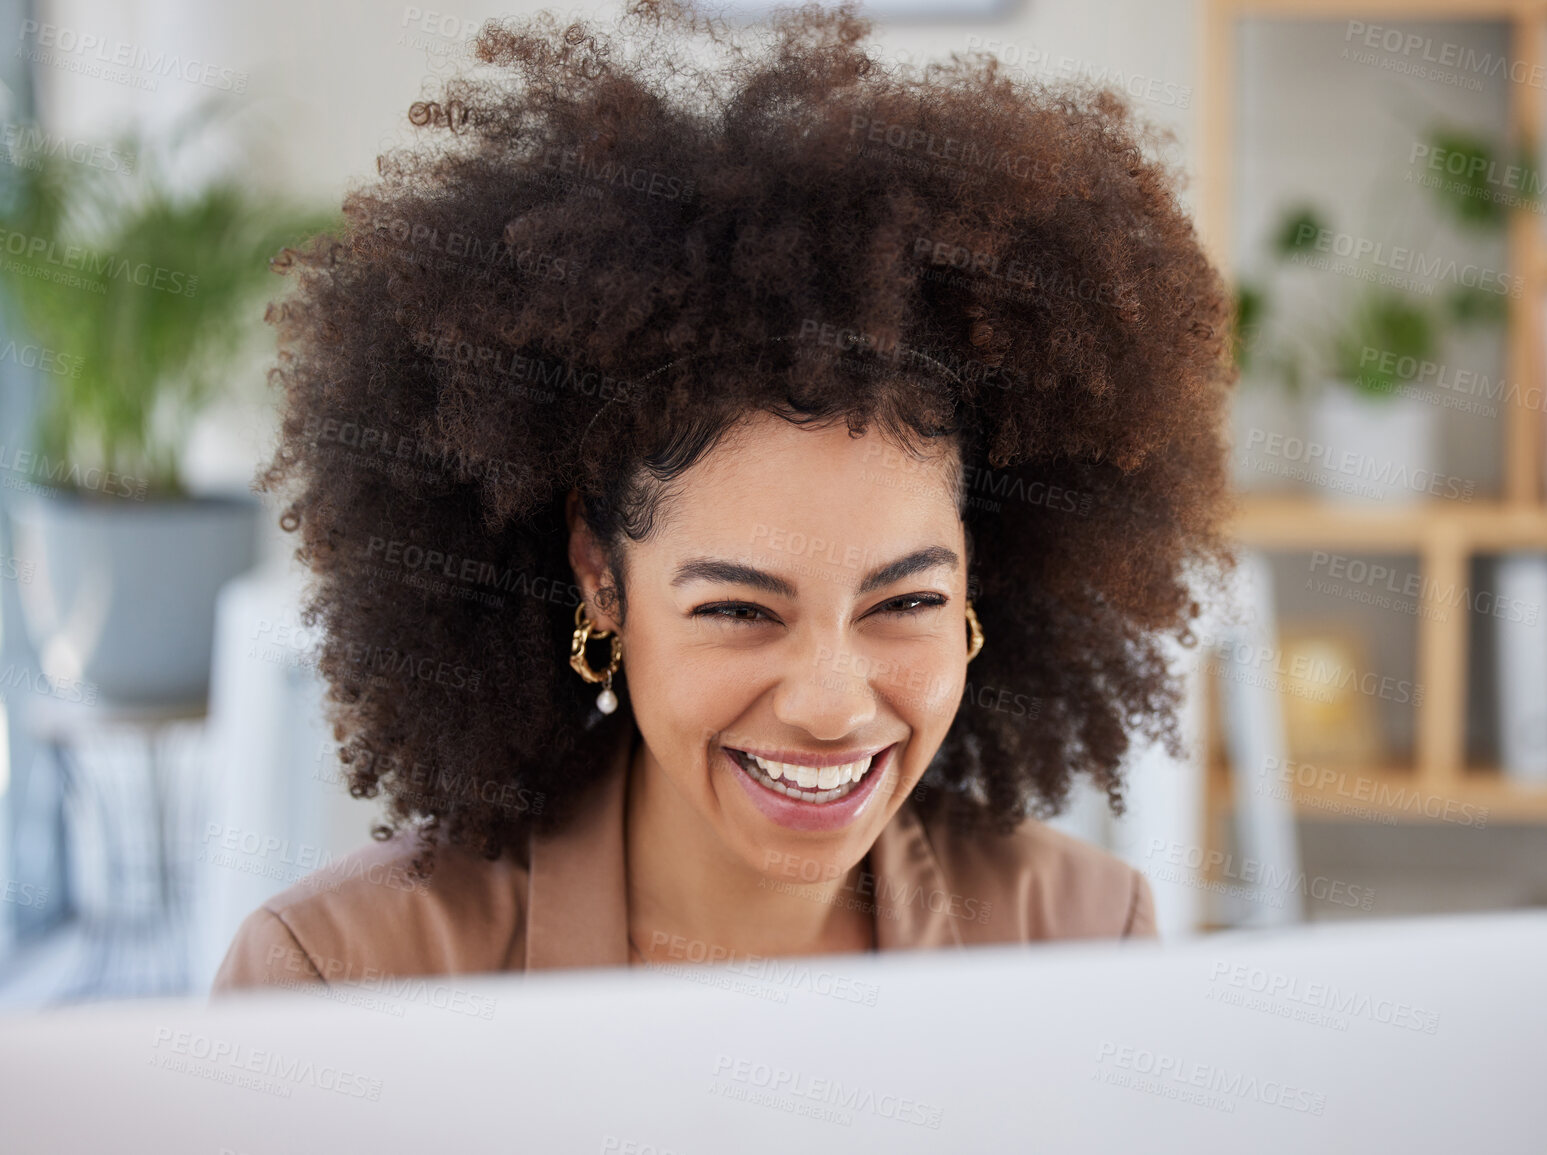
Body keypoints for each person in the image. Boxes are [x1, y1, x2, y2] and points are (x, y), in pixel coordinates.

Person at [212, 0, 1233, 992]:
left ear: (978, 580)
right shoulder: (345, 981)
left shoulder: (1085, 944)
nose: (830, 707)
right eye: (740, 610)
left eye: (906, 602)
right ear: (601, 581)